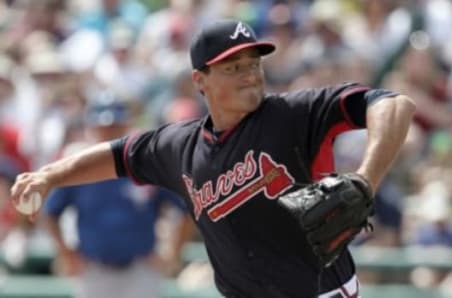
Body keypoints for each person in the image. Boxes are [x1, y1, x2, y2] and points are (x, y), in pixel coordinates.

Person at [11, 19, 416, 298]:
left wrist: (365, 179)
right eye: (234, 67)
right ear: (199, 80)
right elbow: (117, 156)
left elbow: (393, 104)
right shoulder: (178, 147)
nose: (250, 75)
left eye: (254, 64)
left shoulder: (294, 114)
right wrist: (49, 175)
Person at [42, 96, 193, 298]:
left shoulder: (144, 164)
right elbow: (50, 212)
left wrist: (173, 252)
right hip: (94, 269)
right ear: (92, 127)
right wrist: (66, 253)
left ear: (126, 124)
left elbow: (186, 209)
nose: (109, 130)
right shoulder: (78, 168)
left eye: (115, 124)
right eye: (104, 125)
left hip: (140, 270)